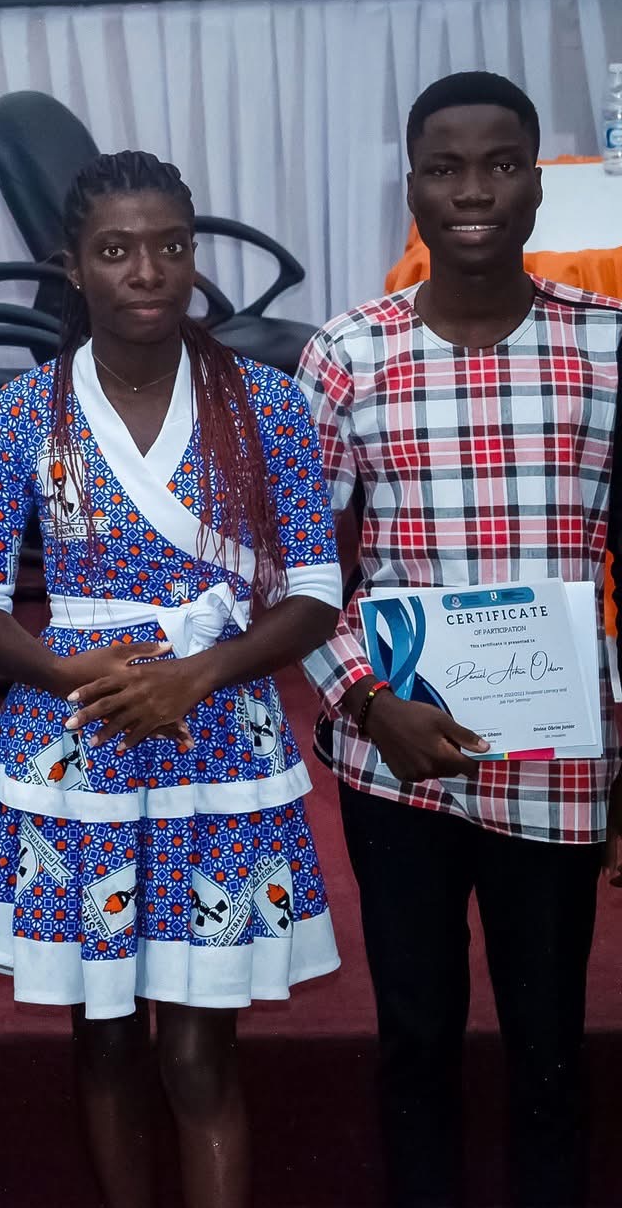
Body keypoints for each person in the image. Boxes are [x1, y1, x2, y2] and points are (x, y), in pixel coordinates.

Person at [0, 150, 342, 1208]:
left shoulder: (265, 404)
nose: (147, 270)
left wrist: (195, 677)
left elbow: (315, 590)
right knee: (106, 1039)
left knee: (197, 1052)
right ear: (71, 267)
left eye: (170, 245)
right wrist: (61, 667)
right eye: (116, 249)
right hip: (78, 746)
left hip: (218, 745)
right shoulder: (20, 414)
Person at [298, 71, 622, 1208]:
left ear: (537, 185)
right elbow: (295, 569)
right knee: (416, 1037)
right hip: (399, 750)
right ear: (412, 191)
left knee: (549, 1048)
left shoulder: (607, 345)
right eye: (444, 169)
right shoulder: (349, 353)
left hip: (556, 759)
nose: (472, 191)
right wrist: (362, 699)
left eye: (498, 166)